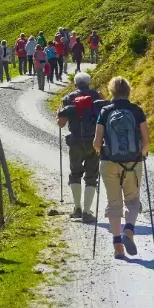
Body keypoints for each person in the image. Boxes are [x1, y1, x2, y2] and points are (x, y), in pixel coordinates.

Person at [93, 76, 150, 259]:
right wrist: (141, 154)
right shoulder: (136, 111)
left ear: (111, 92)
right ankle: (129, 231)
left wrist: (100, 152)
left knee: (114, 202)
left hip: (109, 162)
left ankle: (118, 245)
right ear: (128, 91)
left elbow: (96, 142)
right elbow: (147, 142)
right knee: (132, 200)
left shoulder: (105, 111)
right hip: (133, 163)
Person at [56, 73, 103, 220]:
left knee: (75, 173)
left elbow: (61, 123)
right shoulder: (97, 96)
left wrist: (59, 113)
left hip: (75, 141)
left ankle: (77, 208)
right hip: (94, 141)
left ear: (75, 84)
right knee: (91, 176)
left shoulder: (68, 98)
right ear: (89, 83)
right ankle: (87, 212)